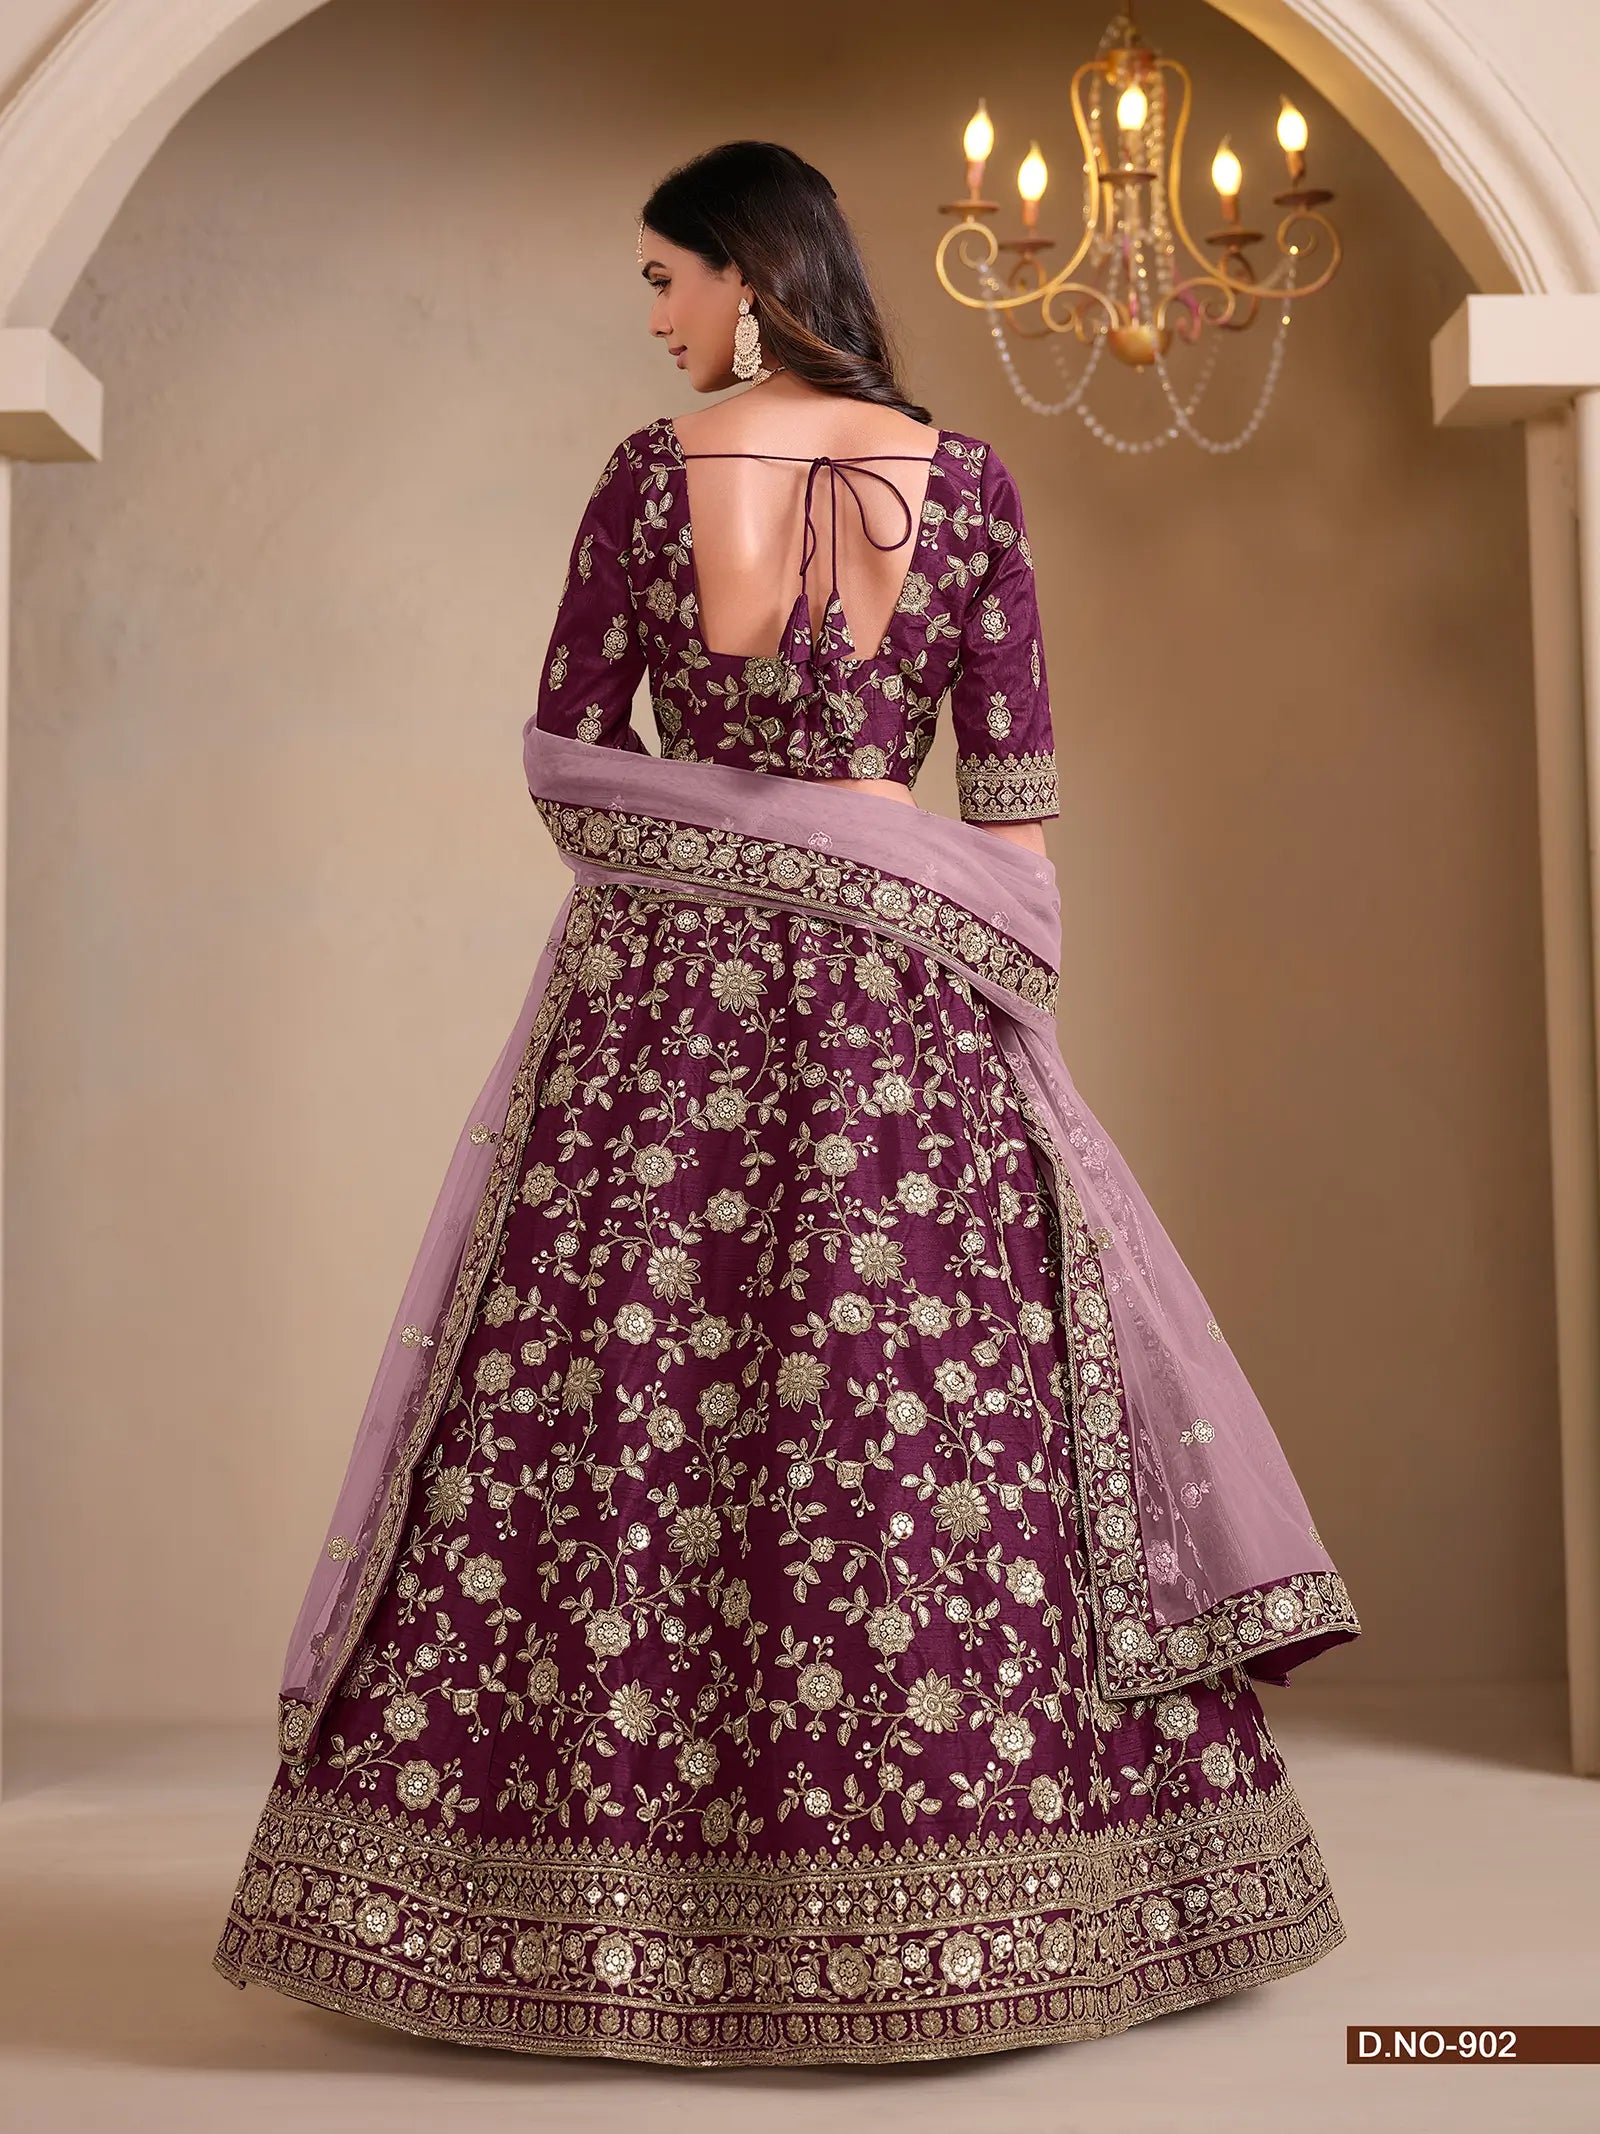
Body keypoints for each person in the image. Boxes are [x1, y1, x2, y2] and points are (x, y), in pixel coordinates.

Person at [213, 140, 1359, 2070]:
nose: (654, 317)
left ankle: (600, 1920)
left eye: (665, 278)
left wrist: (735, 830)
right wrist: (903, 891)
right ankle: (985, 1906)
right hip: (907, 1014)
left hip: (662, 1008)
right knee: (921, 1401)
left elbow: (571, 764)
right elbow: (1015, 821)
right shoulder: (972, 485)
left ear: (749, 275)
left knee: (626, 1396)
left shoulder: (641, 483)